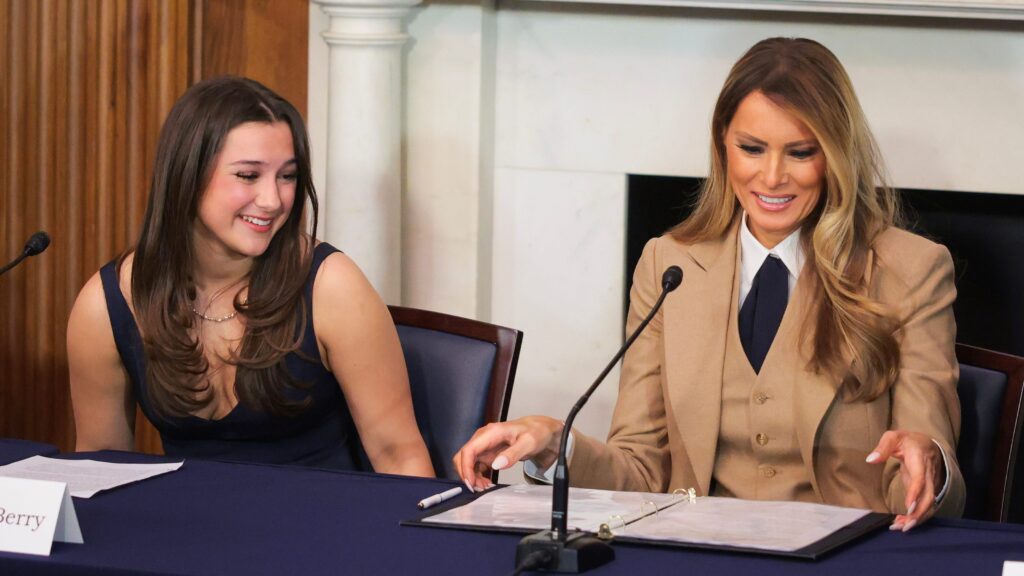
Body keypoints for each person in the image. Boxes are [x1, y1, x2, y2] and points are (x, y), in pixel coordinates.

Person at [454, 37, 964, 530]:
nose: (771, 176)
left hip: (845, 558)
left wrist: (929, 467)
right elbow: (641, 472)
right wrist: (555, 443)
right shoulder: (667, 264)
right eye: (752, 148)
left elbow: (926, 479)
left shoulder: (911, 270)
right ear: (723, 144)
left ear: (836, 155)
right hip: (697, 555)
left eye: (801, 153)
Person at [68, 76, 434, 476]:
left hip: (324, 527)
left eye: (287, 176)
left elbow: (399, 456)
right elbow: (99, 469)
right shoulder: (107, 303)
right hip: (186, 529)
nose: (273, 200)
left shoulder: (332, 285)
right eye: (248, 176)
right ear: (186, 176)